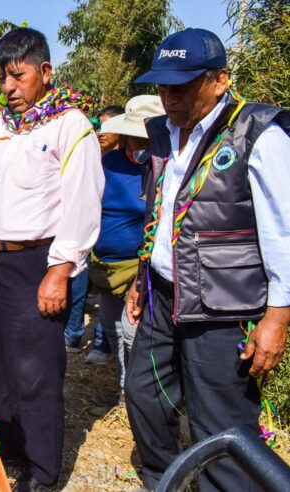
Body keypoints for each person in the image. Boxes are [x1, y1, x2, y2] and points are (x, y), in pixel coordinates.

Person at [124, 28, 290, 492]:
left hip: (223, 306)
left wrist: (277, 318)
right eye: (162, 85)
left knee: (220, 423)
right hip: (163, 295)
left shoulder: (258, 134)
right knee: (144, 394)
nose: (168, 96)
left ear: (220, 80)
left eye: (182, 85)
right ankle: (168, 480)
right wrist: (141, 276)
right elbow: (161, 215)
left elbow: (283, 232)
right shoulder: (162, 132)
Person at [0, 27, 104, 490]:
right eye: (3, 77)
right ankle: (11, 448)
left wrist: (59, 272)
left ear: (45, 71)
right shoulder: (1, 126)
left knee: (35, 372)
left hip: (34, 265)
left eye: (17, 76)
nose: (8, 87)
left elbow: (83, 203)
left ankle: (42, 470)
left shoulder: (71, 126)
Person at [87, 95, 164, 413]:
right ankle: (124, 391)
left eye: (143, 137)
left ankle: (140, 400)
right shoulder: (109, 163)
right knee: (113, 328)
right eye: (133, 136)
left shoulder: (161, 166)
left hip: (140, 268)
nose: (137, 143)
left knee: (132, 331)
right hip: (107, 267)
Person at [65, 104, 125, 361]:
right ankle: (74, 333)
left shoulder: (134, 163)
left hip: (117, 245)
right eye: (99, 126)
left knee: (108, 297)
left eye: (108, 127)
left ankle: (101, 342)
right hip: (90, 237)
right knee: (80, 284)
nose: (101, 132)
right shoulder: (95, 158)